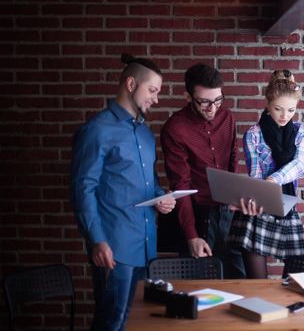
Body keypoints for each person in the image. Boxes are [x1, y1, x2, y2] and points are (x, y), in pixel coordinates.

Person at [71, 53, 176, 331]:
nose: (156, 98)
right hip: (114, 249)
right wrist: (97, 240)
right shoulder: (96, 130)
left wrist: (161, 198)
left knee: (135, 322)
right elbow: (83, 189)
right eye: (152, 90)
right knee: (111, 322)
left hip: (145, 247)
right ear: (131, 84)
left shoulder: (144, 133)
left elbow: (149, 183)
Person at [160, 63, 245, 279]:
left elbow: (233, 160)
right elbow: (181, 185)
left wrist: (236, 195)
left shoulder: (227, 118)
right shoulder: (175, 129)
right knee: (198, 287)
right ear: (188, 97)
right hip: (198, 214)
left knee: (239, 282)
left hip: (228, 211)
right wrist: (191, 236)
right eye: (204, 102)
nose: (212, 108)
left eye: (217, 100)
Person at [227, 69, 304, 279]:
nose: (284, 116)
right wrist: (263, 188)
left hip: (286, 205)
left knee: (294, 282)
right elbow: (255, 174)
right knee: (258, 284)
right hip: (260, 206)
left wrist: (275, 179)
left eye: (291, 110)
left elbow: (299, 164)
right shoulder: (253, 134)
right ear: (267, 104)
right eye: (278, 109)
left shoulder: (301, 131)